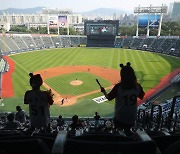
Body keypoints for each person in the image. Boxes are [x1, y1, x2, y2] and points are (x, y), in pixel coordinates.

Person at [100, 62, 145, 136]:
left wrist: (104, 91)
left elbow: (109, 98)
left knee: (119, 135)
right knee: (129, 134)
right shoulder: (137, 86)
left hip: (119, 118)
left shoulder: (118, 87)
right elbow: (142, 96)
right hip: (132, 118)